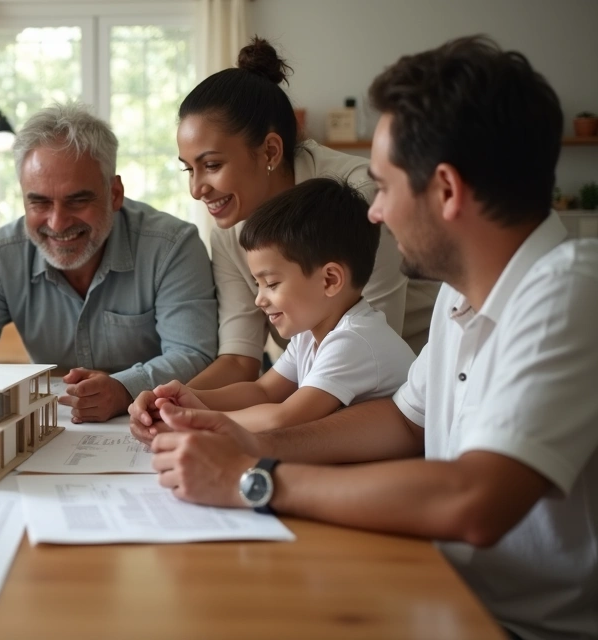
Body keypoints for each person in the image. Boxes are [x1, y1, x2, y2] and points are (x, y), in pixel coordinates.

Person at [147, 37, 598, 640]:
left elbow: (475, 500)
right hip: (444, 590)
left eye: (383, 187)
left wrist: (249, 480)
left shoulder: (568, 292)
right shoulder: (460, 297)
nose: (376, 213)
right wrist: (243, 440)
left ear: (445, 190)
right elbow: (402, 423)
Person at [0, 103, 217, 423]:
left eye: (77, 200)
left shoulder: (171, 246)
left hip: (155, 425)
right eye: (39, 202)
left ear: (114, 193)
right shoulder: (3, 254)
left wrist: (123, 388)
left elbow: (195, 354)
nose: (57, 224)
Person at [177, 37, 439, 391]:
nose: (196, 189)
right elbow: (240, 359)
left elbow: (370, 343)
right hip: (313, 381)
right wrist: (173, 401)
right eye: (188, 170)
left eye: (211, 165)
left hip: (409, 381)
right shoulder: (227, 231)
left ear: (270, 151)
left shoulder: (359, 198)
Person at [132, 178, 413, 437]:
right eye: (257, 284)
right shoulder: (310, 332)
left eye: (271, 283)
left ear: (330, 280)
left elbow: (283, 418)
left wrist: (191, 419)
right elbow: (263, 391)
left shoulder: (354, 340)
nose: (259, 300)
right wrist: (184, 397)